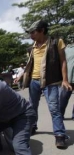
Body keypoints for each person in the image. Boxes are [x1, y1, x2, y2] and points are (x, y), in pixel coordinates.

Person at [20, 20, 72, 148]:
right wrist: (21, 76)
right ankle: (32, 126)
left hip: (51, 81)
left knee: (54, 108)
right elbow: (30, 65)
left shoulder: (56, 42)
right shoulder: (31, 47)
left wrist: (65, 80)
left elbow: (63, 62)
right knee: (32, 107)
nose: (31, 35)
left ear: (42, 30)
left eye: (33, 32)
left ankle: (60, 135)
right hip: (34, 81)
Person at [58, 36, 74, 119]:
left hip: (69, 77)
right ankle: (60, 115)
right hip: (68, 79)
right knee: (63, 98)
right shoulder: (67, 50)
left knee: (63, 98)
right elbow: (62, 62)